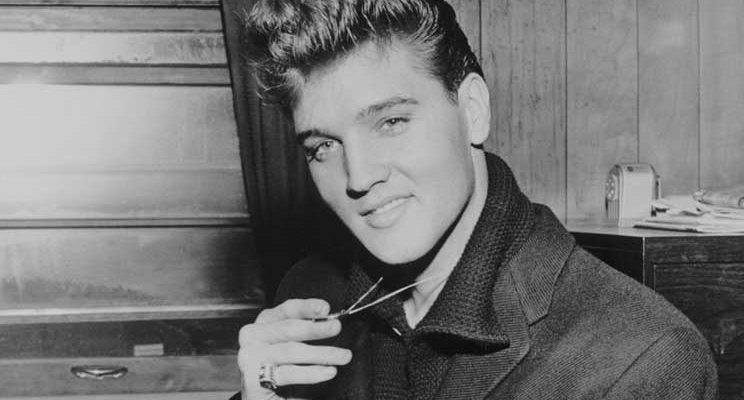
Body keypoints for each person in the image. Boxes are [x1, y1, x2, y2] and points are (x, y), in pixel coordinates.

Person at [233, 1, 718, 399]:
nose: (358, 177)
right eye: (323, 147)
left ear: (473, 110)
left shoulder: (643, 358)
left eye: (391, 122)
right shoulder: (310, 297)